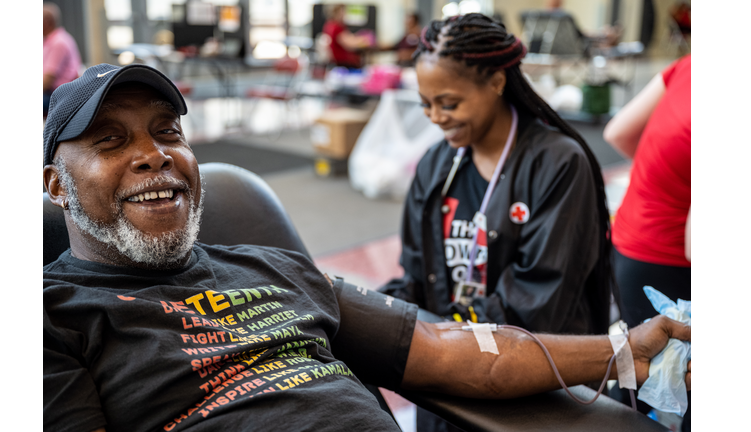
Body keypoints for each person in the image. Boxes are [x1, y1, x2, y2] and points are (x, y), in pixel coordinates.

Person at [42, 63, 690, 432]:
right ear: (55, 185)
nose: (153, 155)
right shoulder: (48, 318)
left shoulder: (271, 267)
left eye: (167, 132)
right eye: (110, 141)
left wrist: (625, 351)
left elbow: (447, 349)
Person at [378, 14, 614, 430]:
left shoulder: (557, 164)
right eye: (425, 104)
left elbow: (537, 305)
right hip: (448, 382)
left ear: (497, 83)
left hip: (532, 389)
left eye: (448, 103)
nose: (434, 117)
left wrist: (436, 342)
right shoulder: (436, 165)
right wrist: (368, 315)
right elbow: (417, 276)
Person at [602, 54, 691, 428]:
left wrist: (670, 177)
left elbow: (617, 133)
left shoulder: (689, 65)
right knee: (682, 380)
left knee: (634, 369)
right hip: (666, 258)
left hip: (627, 237)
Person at [43, 2, 82, 118]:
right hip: (52, 92)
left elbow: (49, 78)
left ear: (47, 22)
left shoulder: (58, 42)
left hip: (59, 95)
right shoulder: (50, 41)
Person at [321, 4, 372, 69]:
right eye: (343, 11)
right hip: (343, 62)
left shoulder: (328, 25)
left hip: (336, 60)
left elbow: (348, 38)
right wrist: (364, 40)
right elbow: (349, 44)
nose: (345, 14)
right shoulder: (335, 27)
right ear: (338, 12)